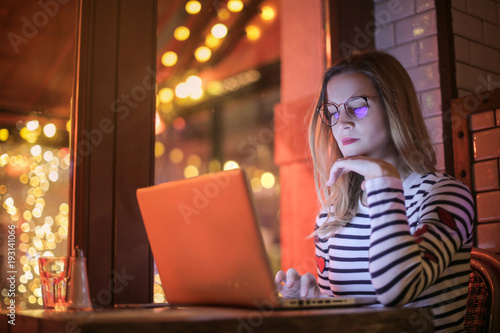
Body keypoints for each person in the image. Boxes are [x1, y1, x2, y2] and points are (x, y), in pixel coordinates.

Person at [274, 51, 474, 332]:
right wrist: (309, 302)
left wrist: (383, 179)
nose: (342, 122)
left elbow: (398, 290)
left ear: (395, 108)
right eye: (332, 111)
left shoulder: (444, 196)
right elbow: (346, 316)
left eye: (357, 107)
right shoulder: (333, 215)